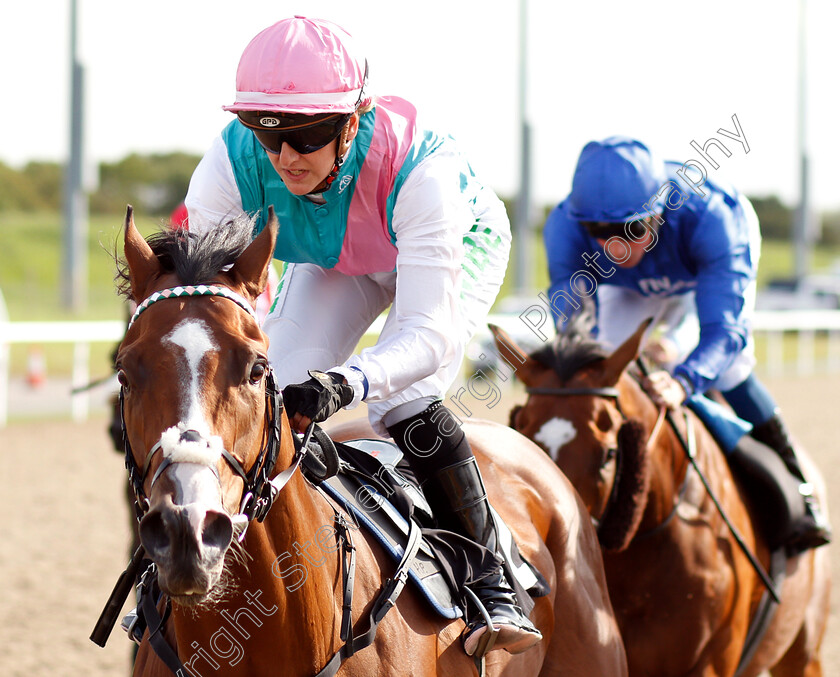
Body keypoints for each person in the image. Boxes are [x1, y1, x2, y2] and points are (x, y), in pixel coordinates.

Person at [183, 16, 541, 656]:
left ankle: (491, 576)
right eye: (268, 136)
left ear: (351, 122)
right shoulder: (227, 165)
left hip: (447, 245)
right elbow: (220, 306)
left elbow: (428, 337)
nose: (286, 157)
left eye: (306, 136)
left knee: (398, 400)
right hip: (335, 259)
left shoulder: (421, 172)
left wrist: (346, 382)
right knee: (278, 393)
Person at [542, 136, 831, 555]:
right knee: (602, 368)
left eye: (629, 229)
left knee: (731, 368)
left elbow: (724, 334)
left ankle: (797, 487)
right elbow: (575, 335)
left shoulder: (714, 217)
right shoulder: (564, 227)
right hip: (631, 289)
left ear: (658, 215)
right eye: (597, 232)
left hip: (700, 270)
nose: (613, 246)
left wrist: (683, 381)